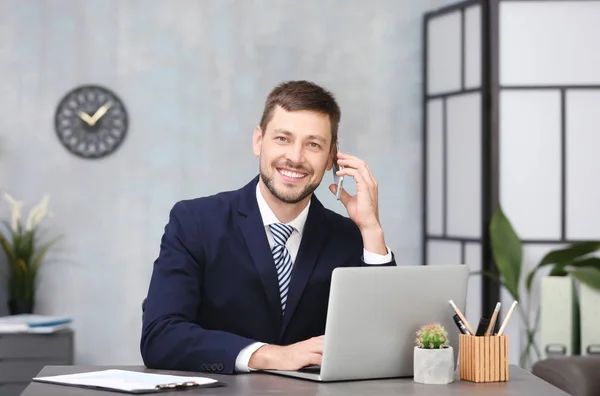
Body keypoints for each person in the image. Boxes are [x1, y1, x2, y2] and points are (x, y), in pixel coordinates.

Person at [140, 80, 397, 375]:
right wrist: (270, 356)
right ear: (258, 141)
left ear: (331, 159)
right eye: (283, 139)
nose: (296, 158)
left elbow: (383, 344)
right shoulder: (195, 221)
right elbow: (160, 337)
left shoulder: (350, 237)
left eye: (313, 144)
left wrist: (372, 230)